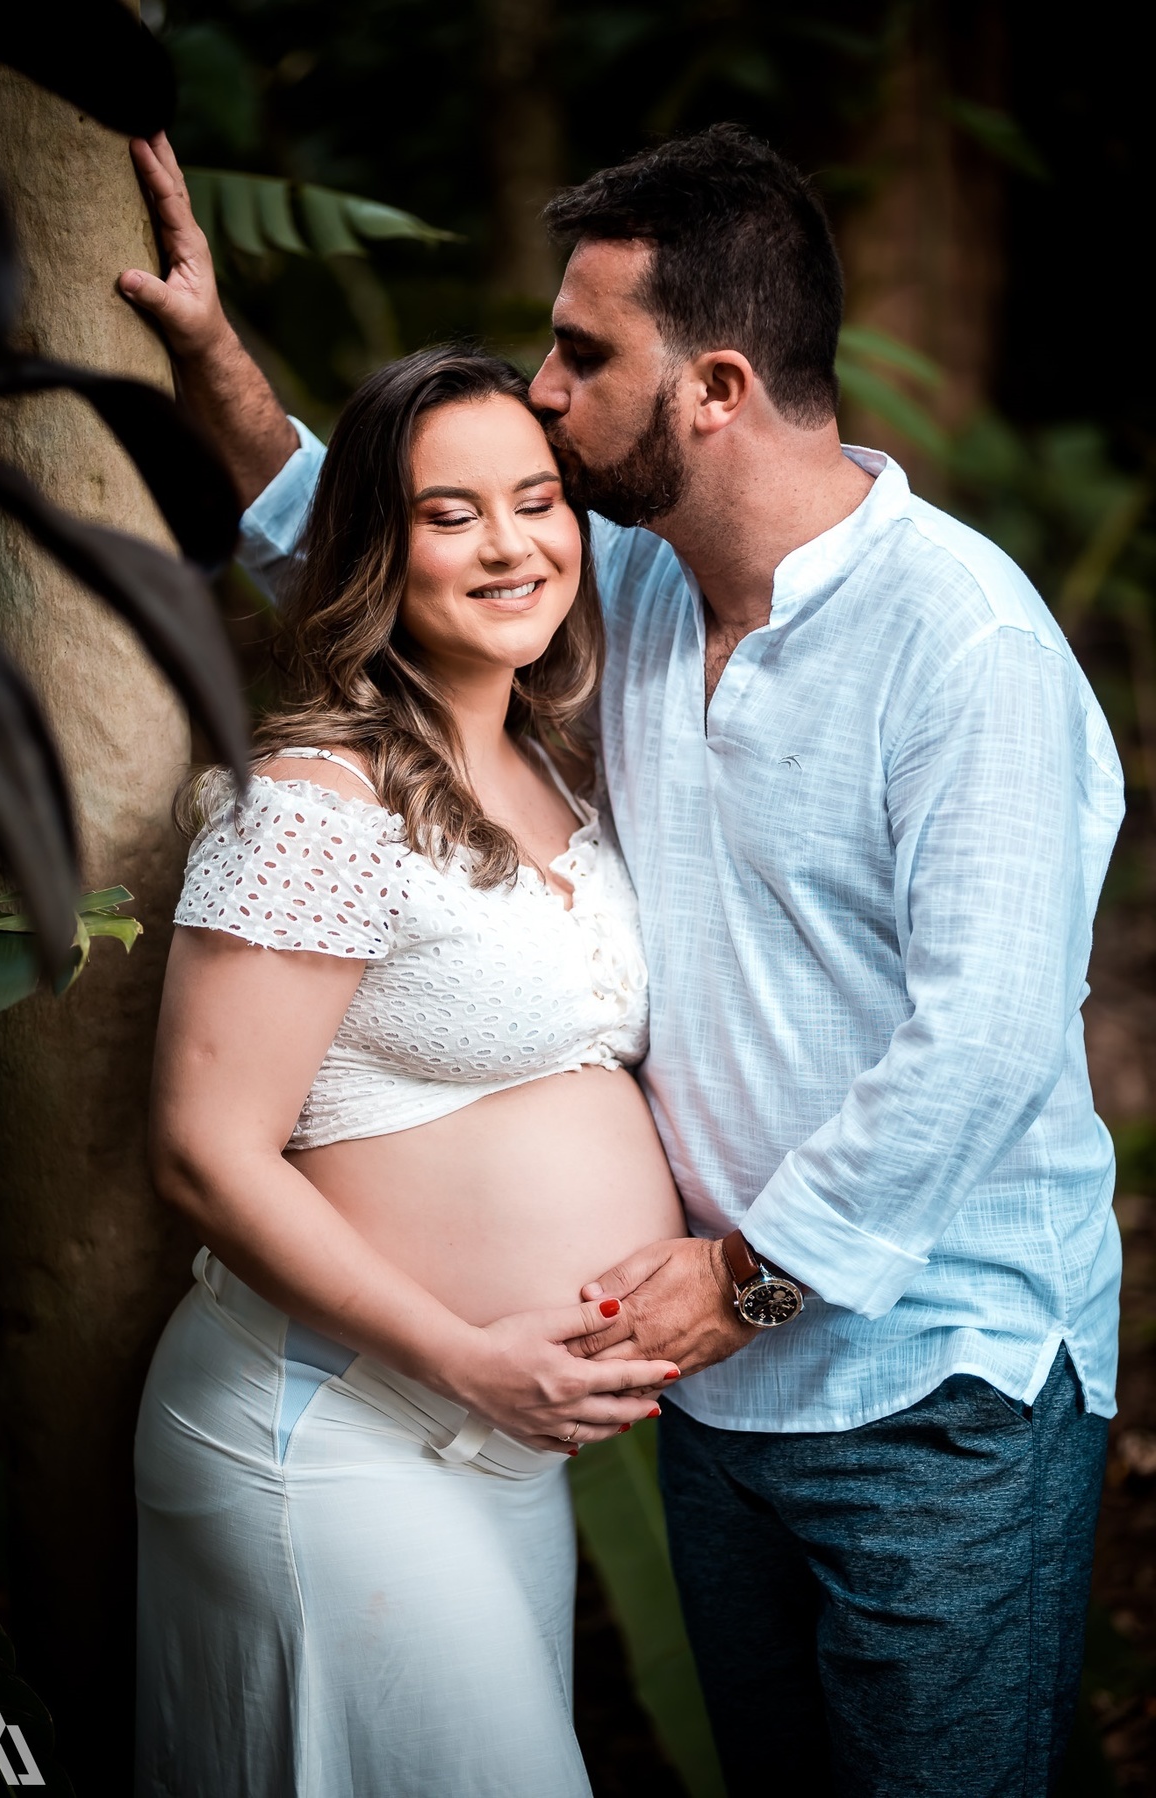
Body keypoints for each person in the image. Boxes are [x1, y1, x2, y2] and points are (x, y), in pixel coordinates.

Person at [123, 122, 1125, 1795]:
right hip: (709, 1404)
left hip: (928, 1388)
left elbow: (983, 1043)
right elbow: (384, 549)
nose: (545, 384)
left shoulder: (967, 647)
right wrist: (218, 365)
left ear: (715, 386)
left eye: (583, 353)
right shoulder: (640, 592)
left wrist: (741, 1278)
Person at [135, 344, 685, 1798]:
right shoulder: (317, 800)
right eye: (452, 515)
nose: (513, 544)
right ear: (377, 547)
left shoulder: (554, 764)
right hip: (340, 1424)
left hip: (501, 1447)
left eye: (540, 498)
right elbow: (204, 1149)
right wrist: (465, 1357)